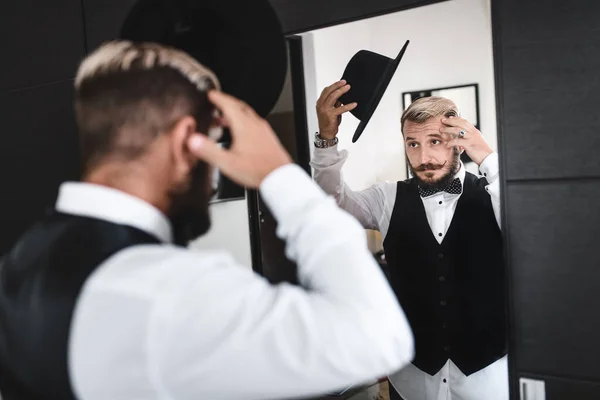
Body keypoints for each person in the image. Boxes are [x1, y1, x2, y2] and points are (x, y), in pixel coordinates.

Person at [0, 42, 415, 400]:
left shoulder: (19, 262)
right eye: (219, 145)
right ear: (187, 140)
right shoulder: (166, 291)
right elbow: (380, 338)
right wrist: (278, 174)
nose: (217, 177)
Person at [311, 80, 507, 400]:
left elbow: (531, 221)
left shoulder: (495, 194)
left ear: (459, 141)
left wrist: (486, 155)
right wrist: (326, 140)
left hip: (487, 379)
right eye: (412, 144)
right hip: (412, 377)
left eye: (435, 141)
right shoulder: (386, 198)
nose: (424, 156)